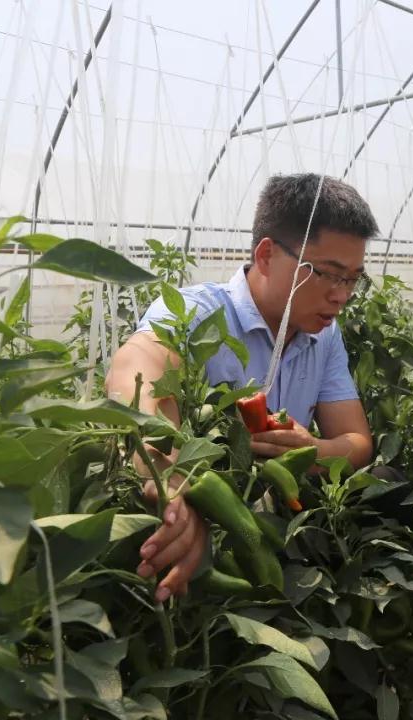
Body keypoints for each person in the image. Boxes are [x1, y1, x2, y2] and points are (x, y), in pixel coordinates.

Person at [106, 173, 377, 603]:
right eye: (327, 274)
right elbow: (136, 364)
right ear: (267, 255)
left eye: (352, 279)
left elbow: (358, 442)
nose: (341, 295)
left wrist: (309, 451)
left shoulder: (324, 335)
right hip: (208, 526)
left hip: (279, 522)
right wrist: (175, 480)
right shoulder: (199, 313)